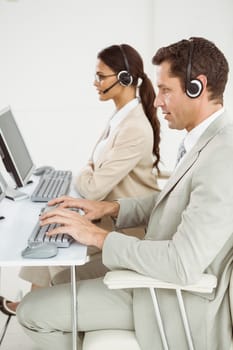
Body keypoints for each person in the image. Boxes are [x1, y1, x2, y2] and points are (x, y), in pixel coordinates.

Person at [17, 36, 233, 350]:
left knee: (32, 311)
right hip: (155, 270)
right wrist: (110, 209)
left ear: (196, 87)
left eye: (166, 90)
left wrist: (98, 237)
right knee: (61, 280)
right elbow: (173, 201)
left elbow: (183, 264)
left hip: (175, 298)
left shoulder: (223, 155)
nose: (157, 101)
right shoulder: (205, 140)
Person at [1, 43, 161, 316]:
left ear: (124, 79)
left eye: (101, 76)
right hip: (109, 214)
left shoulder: (134, 126)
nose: (95, 83)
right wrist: (88, 171)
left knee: (53, 235)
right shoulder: (120, 118)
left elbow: (93, 187)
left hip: (128, 227)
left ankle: (35, 309)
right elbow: (93, 173)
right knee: (52, 225)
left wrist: (85, 170)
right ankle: (30, 304)